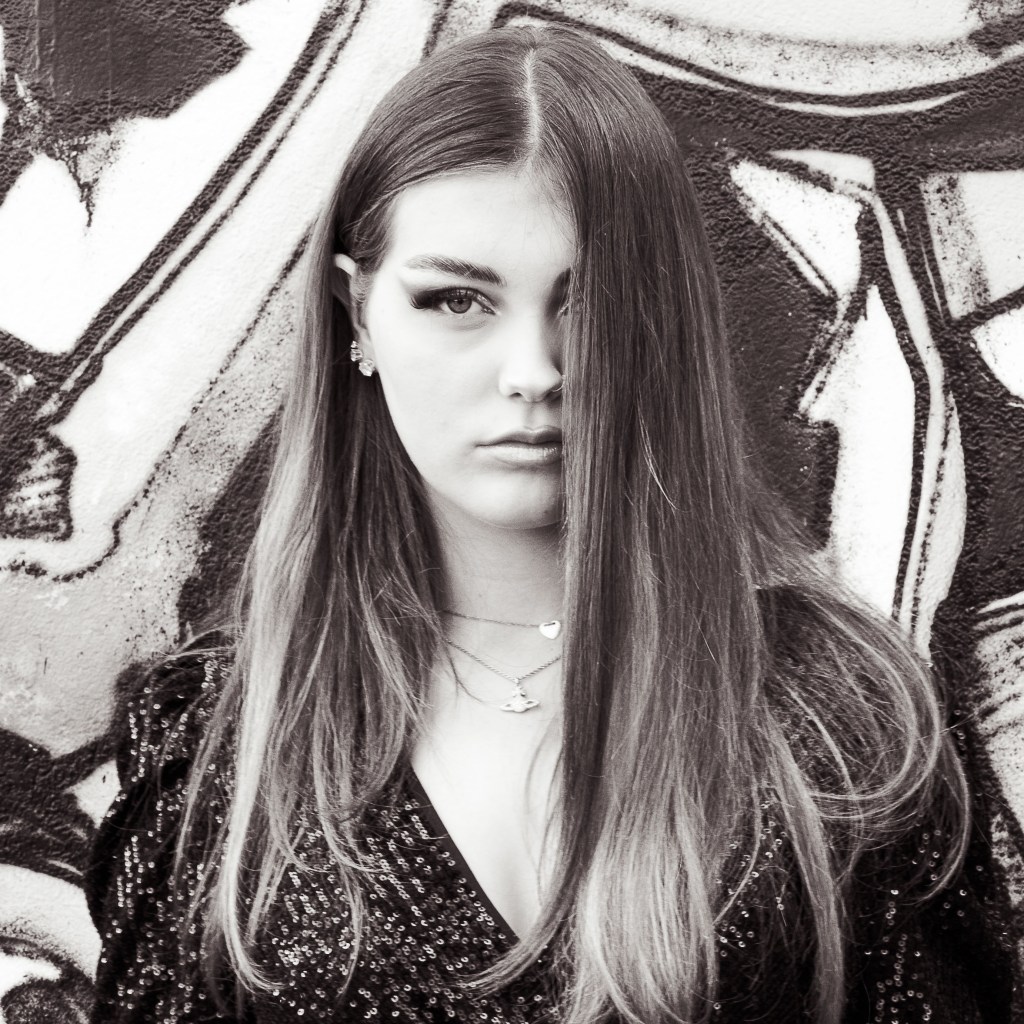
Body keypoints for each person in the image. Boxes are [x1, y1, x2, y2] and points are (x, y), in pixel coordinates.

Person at [87, 23, 1013, 1024]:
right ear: (357, 317)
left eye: (588, 302)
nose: (532, 372)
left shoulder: (847, 718)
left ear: (660, 320)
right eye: (456, 300)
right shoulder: (215, 733)